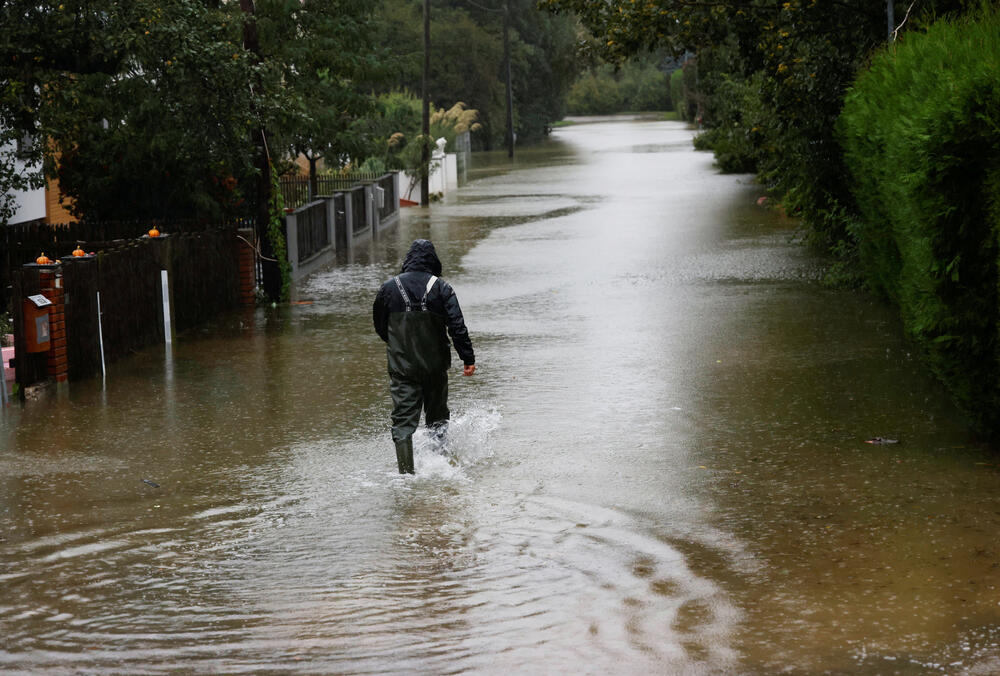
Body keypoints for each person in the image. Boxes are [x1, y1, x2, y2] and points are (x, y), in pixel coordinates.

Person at [373, 239, 476, 474]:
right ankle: (440, 468)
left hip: (402, 368)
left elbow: (380, 325)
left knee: (402, 423)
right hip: (435, 368)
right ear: (433, 261)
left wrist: (397, 346)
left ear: (408, 260)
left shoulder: (388, 288)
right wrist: (467, 358)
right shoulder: (442, 288)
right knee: (437, 419)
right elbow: (457, 326)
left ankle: (406, 476)